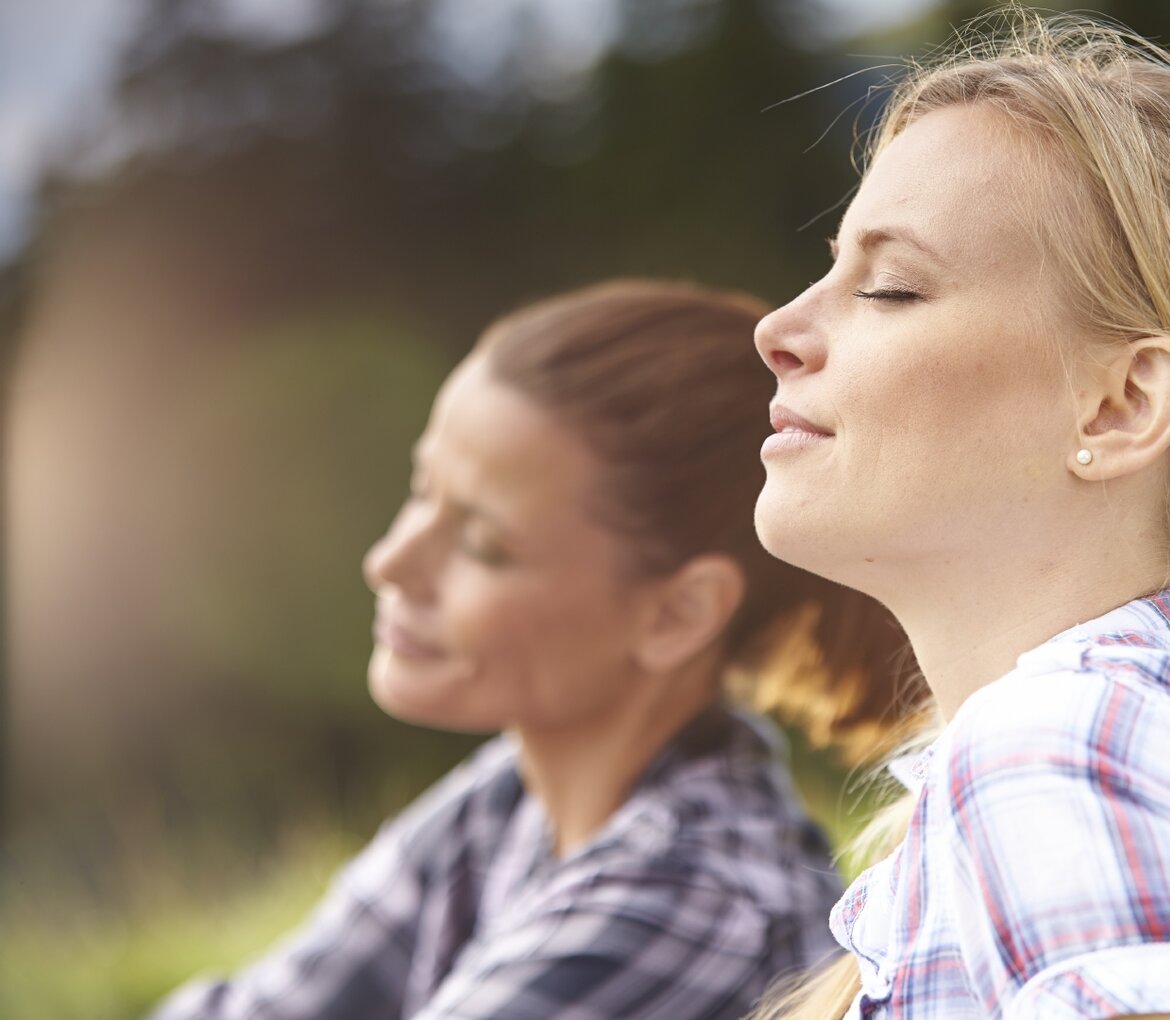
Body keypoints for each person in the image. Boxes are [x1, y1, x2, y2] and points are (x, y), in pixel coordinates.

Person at [749, 10, 1170, 1019]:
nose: (777, 329)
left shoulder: (1064, 746)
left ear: (1123, 406)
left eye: (890, 288)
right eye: (833, 266)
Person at [151, 279, 910, 1020]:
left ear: (675, 615)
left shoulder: (692, 896)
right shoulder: (508, 801)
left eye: (482, 543)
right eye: (423, 493)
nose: (389, 562)